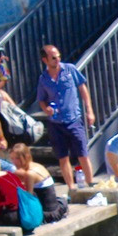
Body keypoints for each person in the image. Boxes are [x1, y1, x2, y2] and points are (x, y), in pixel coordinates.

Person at [37, 45, 96, 190]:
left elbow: (82, 88)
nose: (57, 59)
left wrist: (89, 110)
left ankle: (91, 185)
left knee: (82, 153)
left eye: (58, 56)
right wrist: (46, 109)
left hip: (74, 119)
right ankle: (71, 188)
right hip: (56, 122)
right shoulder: (43, 78)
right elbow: (41, 99)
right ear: (45, 60)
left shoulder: (70, 70)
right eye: (53, 57)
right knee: (63, 157)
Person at [10, 143, 69, 223]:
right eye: (12, 158)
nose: (14, 162)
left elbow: (28, 199)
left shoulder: (30, 173)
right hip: (57, 207)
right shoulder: (36, 165)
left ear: (26, 157)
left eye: (17, 158)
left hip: (48, 213)